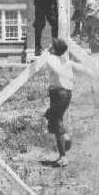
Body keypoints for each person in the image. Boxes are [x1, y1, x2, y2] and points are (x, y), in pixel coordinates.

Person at [40, 38, 73, 167]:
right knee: (51, 116)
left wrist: (48, 51)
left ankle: (63, 156)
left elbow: (45, 56)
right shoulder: (62, 59)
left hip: (59, 93)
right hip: (65, 93)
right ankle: (65, 139)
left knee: (56, 122)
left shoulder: (52, 58)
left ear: (54, 49)